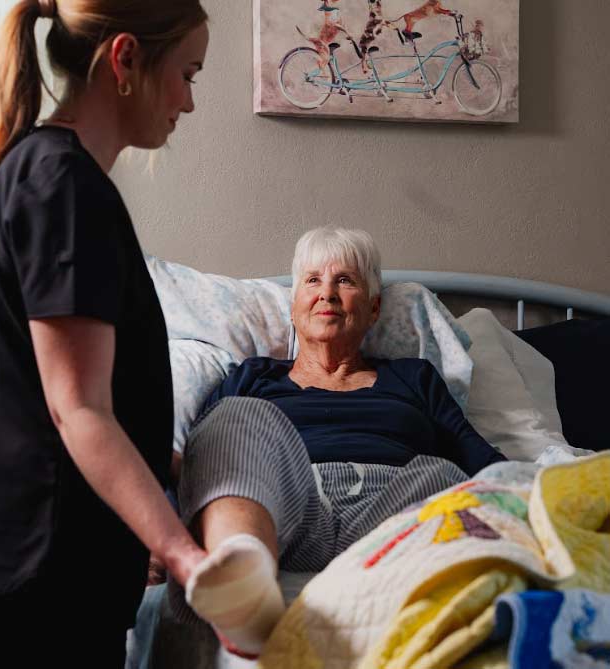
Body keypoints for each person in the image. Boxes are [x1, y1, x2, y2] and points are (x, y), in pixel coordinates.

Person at [0, 1, 209, 666]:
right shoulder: (64, 186)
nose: (189, 100)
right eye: (187, 73)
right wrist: (182, 553)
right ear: (126, 60)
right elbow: (77, 408)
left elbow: (54, 400)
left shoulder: (45, 172)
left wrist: (178, 468)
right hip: (28, 589)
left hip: (18, 580)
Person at [174, 227, 506, 657]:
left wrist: (534, 491)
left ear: (373, 309)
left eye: (345, 281)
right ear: (294, 308)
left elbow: (477, 457)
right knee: (233, 418)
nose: (326, 294)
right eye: (312, 281)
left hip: (392, 517)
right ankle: (243, 579)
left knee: (443, 473)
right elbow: (208, 460)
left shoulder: (414, 376)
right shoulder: (255, 377)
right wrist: (165, 534)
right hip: (287, 510)